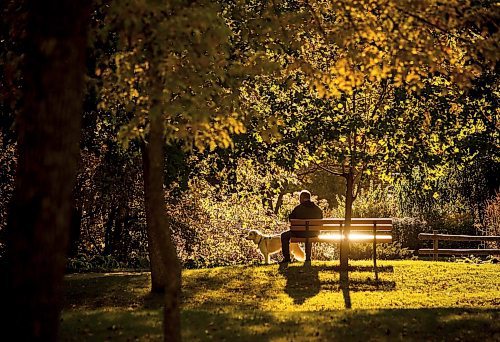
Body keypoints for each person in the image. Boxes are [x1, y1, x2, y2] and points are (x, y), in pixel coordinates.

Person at [280, 190, 323, 263]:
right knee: (309, 235)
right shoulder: (317, 209)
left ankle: (287, 258)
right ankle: (308, 258)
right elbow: (321, 219)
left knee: (284, 236)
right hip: (314, 233)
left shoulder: (298, 208)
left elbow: (291, 219)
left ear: (302, 198)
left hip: (299, 233)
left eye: (300, 198)